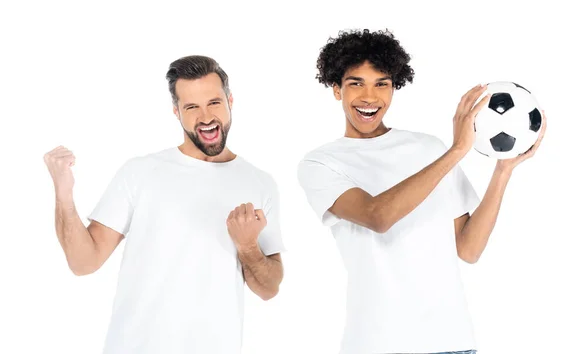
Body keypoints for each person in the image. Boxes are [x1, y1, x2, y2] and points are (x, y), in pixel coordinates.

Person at [297, 29, 546, 354]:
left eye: (381, 84)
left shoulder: (429, 148)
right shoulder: (321, 163)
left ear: (394, 87)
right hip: (377, 344)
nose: (369, 97)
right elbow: (378, 216)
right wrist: (456, 151)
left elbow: (469, 249)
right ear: (335, 89)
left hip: (451, 341)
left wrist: (503, 171)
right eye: (356, 83)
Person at [44, 55, 285, 354]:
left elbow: (269, 289)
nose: (206, 116)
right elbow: (83, 263)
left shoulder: (259, 183)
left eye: (214, 102)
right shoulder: (141, 172)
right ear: (176, 111)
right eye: (191, 107)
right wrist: (63, 193)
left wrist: (248, 246)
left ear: (230, 101)